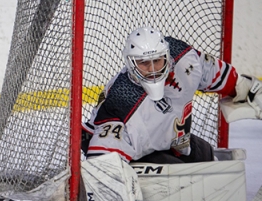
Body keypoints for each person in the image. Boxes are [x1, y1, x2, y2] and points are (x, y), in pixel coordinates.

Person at [82, 26, 262, 165]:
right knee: (173, 169)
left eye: (157, 61)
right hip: (136, 154)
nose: (152, 70)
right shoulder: (122, 100)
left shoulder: (185, 58)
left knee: (205, 153)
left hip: (174, 142)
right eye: (144, 63)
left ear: (167, 57)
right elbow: (102, 164)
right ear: (130, 63)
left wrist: (250, 89)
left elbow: (224, 78)